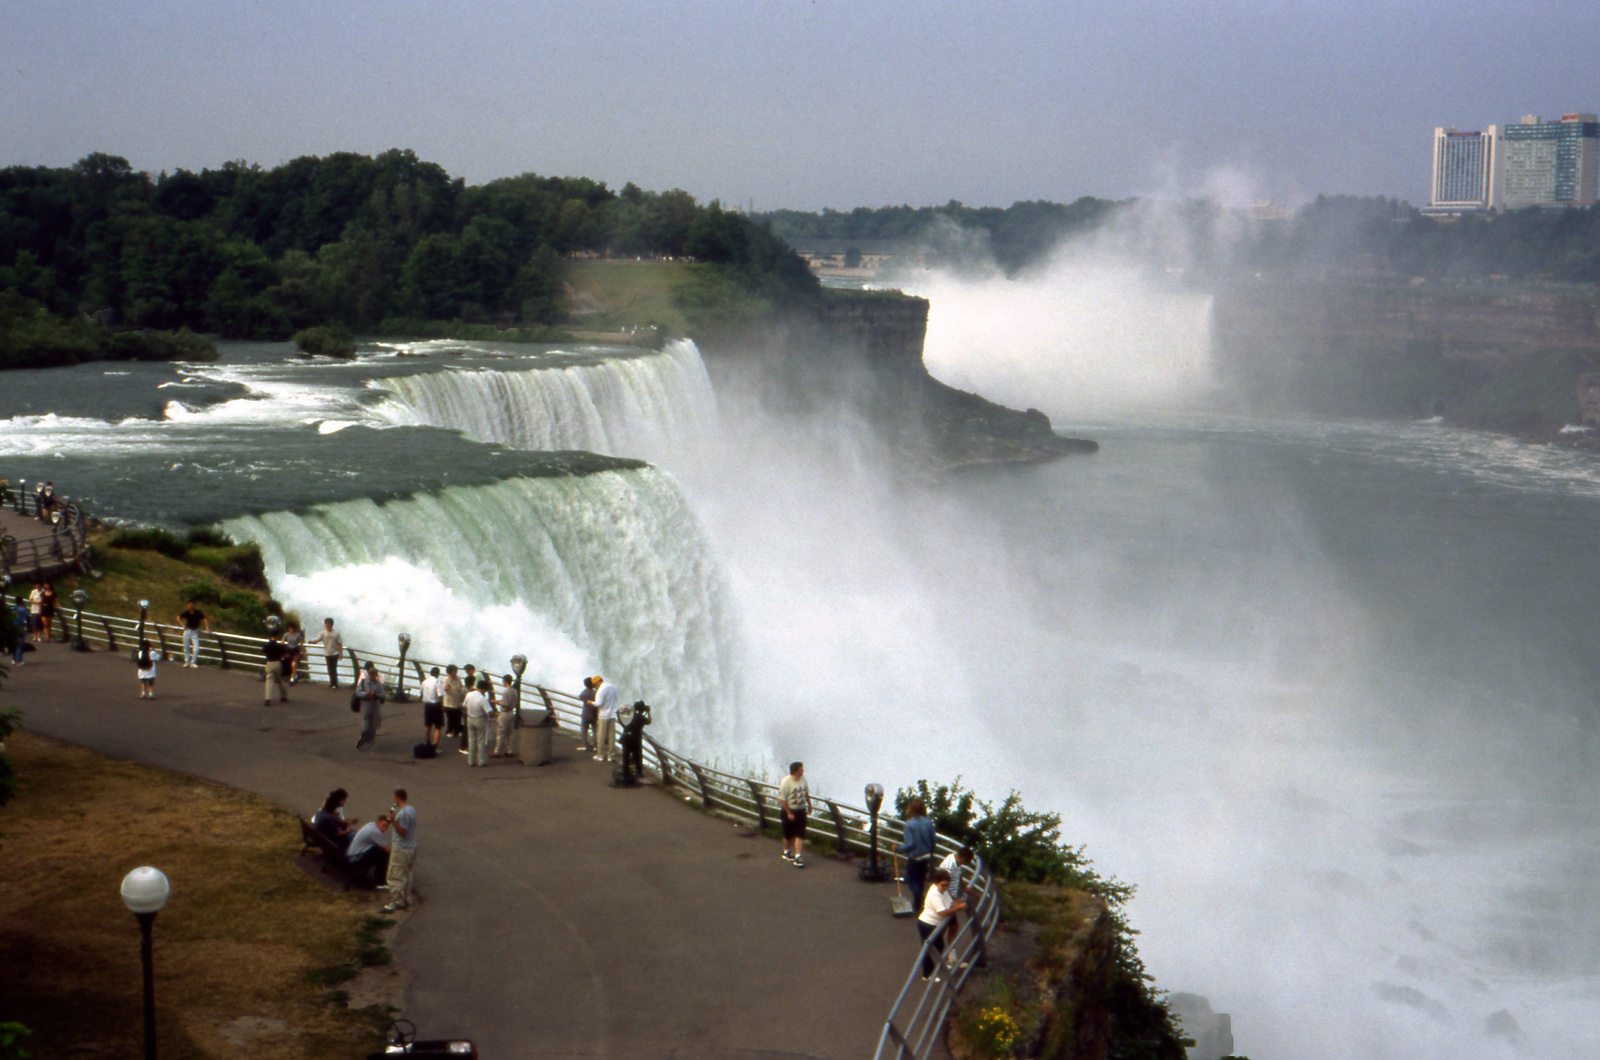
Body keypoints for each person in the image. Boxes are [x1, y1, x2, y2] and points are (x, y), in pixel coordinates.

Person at [916, 868, 967, 981]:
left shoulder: (942, 891)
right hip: (927, 924)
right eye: (943, 885)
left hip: (934, 924)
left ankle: (934, 968)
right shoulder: (935, 894)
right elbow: (942, 912)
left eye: (947, 885)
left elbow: (950, 903)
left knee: (939, 946)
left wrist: (958, 903)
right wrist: (959, 908)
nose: (945, 887)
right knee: (929, 950)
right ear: (936, 883)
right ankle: (926, 975)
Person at [896, 798, 937, 913]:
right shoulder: (928, 822)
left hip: (914, 856)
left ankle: (918, 897)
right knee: (921, 879)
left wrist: (899, 848)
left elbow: (910, 843)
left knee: (911, 879)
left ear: (912, 809)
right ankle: (918, 903)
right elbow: (934, 839)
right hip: (926, 855)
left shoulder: (910, 824)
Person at [939, 846, 981, 948]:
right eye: (966, 861)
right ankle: (946, 953)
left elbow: (958, 874)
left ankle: (944, 951)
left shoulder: (955, 860)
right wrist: (953, 901)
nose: (965, 864)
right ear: (964, 858)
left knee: (948, 926)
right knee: (951, 926)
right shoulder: (949, 866)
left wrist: (964, 887)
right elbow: (942, 885)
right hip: (946, 899)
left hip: (949, 898)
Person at [384, 788, 417, 913]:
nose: (394, 800)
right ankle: (407, 898)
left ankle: (396, 901)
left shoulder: (402, 814)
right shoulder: (411, 809)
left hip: (401, 849)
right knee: (408, 875)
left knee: (396, 876)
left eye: (394, 798)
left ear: (398, 798)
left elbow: (402, 832)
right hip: (411, 848)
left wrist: (392, 821)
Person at [778, 761, 811, 868]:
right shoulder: (786, 782)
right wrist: (789, 813)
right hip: (789, 811)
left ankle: (798, 856)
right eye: (802, 768)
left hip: (801, 810)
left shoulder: (803, 779)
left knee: (800, 833)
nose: (803, 770)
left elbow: (806, 793)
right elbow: (782, 800)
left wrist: (809, 805)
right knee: (788, 834)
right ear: (797, 770)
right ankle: (786, 851)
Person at [345, 814, 392, 886]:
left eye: (386, 827)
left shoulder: (370, 824)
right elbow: (387, 849)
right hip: (355, 858)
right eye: (383, 825)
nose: (384, 829)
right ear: (378, 822)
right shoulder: (375, 832)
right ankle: (380, 880)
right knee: (385, 854)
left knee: (378, 849)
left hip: (350, 854)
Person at [464, 676, 495, 767]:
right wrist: (494, 715)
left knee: (471, 740)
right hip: (479, 719)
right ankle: (481, 761)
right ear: (483, 689)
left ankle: (471, 761)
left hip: (470, 718)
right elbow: (489, 712)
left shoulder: (469, 694)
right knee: (481, 741)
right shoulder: (482, 699)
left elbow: (464, 705)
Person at [354, 662, 386, 750]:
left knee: (373, 725)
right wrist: (366, 694)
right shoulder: (364, 682)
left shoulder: (378, 684)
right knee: (366, 724)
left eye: (375, 675)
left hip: (374, 705)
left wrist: (376, 694)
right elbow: (358, 693)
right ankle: (363, 741)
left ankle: (370, 741)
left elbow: (383, 694)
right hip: (366, 705)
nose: (374, 677)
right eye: (373, 675)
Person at [309, 617, 344, 688]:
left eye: (329, 624)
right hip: (327, 653)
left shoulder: (336, 633)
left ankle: (335, 684)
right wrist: (312, 642)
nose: (327, 625)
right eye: (326, 624)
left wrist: (341, 653)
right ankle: (332, 683)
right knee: (329, 669)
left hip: (335, 653)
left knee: (333, 668)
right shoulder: (323, 633)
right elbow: (317, 639)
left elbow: (340, 644)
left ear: (332, 625)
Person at [174, 600, 209, 668]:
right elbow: (178, 618)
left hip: (195, 631)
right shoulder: (186, 613)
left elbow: (204, 619)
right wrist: (182, 625)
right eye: (190, 604)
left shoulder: (198, 612)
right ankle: (187, 662)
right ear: (187, 605)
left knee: (196, 648)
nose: (191, 606)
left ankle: (193, 662)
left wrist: (207, 627)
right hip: (187, 630)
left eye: (192, 604)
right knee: (186, 646)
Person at [593, 674, 619, 763]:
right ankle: (611, 755)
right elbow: (615, 699)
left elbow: (598, 703)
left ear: (597, 683)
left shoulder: (600, 690)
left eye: (595, 685)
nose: (595, 687)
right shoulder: (611, 686)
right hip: (612, 714)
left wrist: (590, 702)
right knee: (611, 735)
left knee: (601, 735)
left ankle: (600, 755)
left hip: (603, 715)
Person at [440, 664, 466, 751]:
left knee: (458, 717)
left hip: (457, 701)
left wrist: (461, 689)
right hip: (449, 701)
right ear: (450, 672)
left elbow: (462, 686)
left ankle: (457, 731)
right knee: (450, 717)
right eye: (454, 671)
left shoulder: (458, 679)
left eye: (456, 671)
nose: (455, 673)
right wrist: (446, 688)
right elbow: (443, 689)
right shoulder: (446, 679)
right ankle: (449, 731)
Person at [494, 673, 519, 758]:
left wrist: (496, 702)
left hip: (505, 714)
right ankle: (510, 750)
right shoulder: (514, 691)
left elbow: (505, 704)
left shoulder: (506, 692)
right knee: (510, 733)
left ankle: (497, 751)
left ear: (505, 681)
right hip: (512, 713)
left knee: (501, 733)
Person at [262, 631, 289, 705]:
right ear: (277, 636)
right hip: (277, 663)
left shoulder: (266, 645)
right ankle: (283, 695)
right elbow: (284, 655)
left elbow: (264, 653)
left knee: (269, 681)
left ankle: (268, 698)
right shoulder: (279, 646)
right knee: (280, 680)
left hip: (269, 663)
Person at [420, 667, 444, 748]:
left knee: (428, 725)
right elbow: (440, 695)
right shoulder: (437, 682)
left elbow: (421, 693)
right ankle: (435, 745)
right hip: (436, 705)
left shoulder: (424, 682)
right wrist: (442, 706)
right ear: (438, 674)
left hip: (427, 705)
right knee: (438, 726)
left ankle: (428, 742)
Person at [577, 676, 598, 752]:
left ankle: (585, 745)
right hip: (594, 714)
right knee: (595, 730)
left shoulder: (585, 693)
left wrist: (585, 689)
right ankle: (595, 745)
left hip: (586, 714)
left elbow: (580, 696)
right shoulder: (596, 692)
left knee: (584, 730)